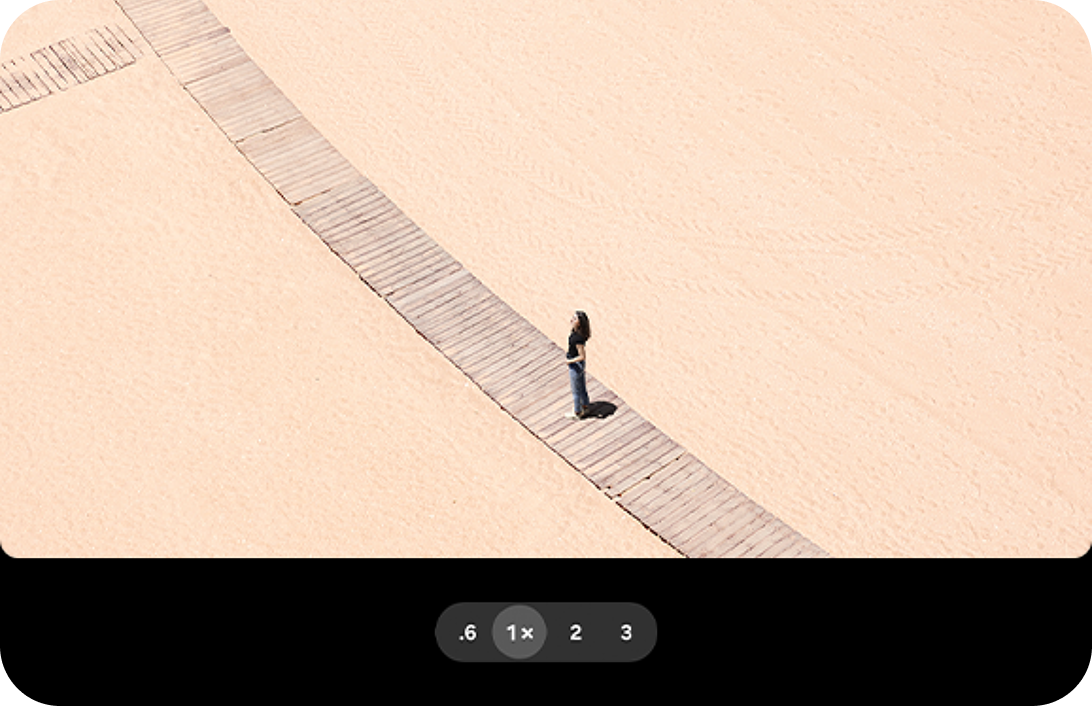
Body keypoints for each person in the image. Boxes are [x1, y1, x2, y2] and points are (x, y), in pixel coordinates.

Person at [565, 311, 592, 419]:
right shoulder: (576, 333)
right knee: (581, 386)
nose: (572, 319)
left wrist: (569, 361)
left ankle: (577, 412)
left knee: (576, 390)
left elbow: (582, 356)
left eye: (575, 319)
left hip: (576, 365)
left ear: (579, 323)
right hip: (577, 364)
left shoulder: (577, 338)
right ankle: (585, 405)